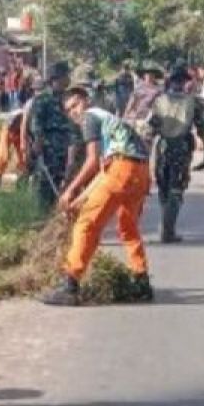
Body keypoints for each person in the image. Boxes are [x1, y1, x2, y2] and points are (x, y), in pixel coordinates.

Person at [41, 85, 154, 306]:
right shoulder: (108, 120)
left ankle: (70, 284)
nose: (74, 111)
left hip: (122, 169)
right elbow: (105, 173)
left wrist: (70, 190)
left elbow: (93, 162)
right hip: (139, 171)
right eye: (69, 109)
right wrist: (78, 200)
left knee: (86, 224)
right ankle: (141, 282)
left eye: (76, 104)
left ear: (86, 100)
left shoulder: (90, 117)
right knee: (128, 227)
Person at [149, 65, 204, 243]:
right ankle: (168, 231)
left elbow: (152, 126)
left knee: (164, 188)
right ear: (185, 82)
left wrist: (145, 146)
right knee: (176, 189)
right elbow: (202, 126)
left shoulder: (159, 101)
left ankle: (165, 227)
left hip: (163, 147)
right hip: (182, 147)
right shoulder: (194, 102)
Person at [25, 61, 76, 212]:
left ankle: (58, 214)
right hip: (49, 151)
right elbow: (36, 124)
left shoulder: (68, 98)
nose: (68, 79)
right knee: (45, 185)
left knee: (64, 183)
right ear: (57, 78)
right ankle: (42, 217)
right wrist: (38, 144)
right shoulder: (43, 99)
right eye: (66, 75)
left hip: (65, 150)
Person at [0, 109, 26, 190]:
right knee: (3, 155)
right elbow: (12, 124)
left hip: (20, 132)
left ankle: (21, 182)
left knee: (23, 157)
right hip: (9, 129)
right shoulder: (22, 115)